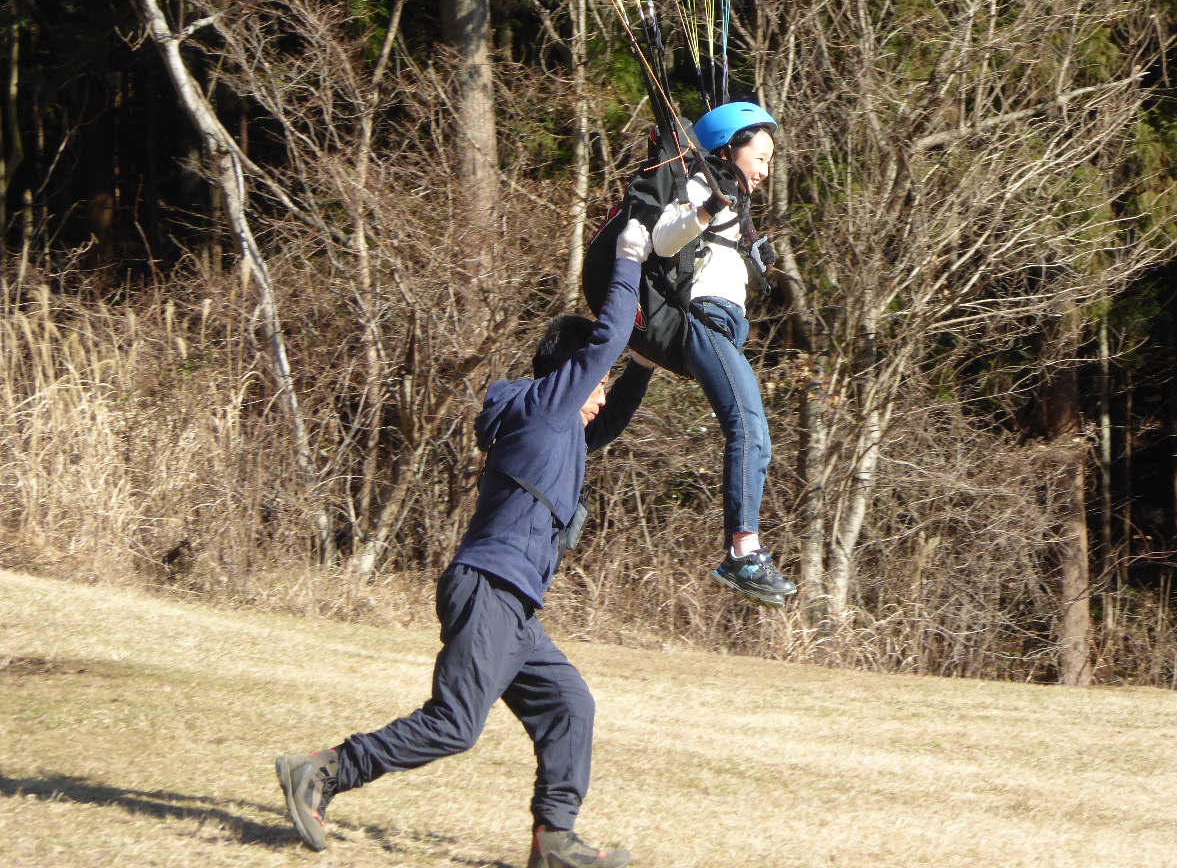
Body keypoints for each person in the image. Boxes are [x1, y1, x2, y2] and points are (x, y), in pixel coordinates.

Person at [275, 220, 655, 868]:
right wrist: (629, 259)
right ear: (571, 371)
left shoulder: (558, 432)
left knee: (569, 706)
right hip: (489, 587)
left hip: (512, 605)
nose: (601, 393)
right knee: (454, 724)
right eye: (596, 379)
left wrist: (649, 357)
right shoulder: (543, 410)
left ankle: (554, 841)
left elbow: (612, 414)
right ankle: (322, 771)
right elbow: (608, 337)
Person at [650, 101, 797, 609]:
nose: (765, 170)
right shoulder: (701, 185)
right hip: (703, 320)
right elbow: (664, 241)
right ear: (730, 150)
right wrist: (710, 206)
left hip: (726, 329)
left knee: (760, 438)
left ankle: (744, 552)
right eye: (760, 157)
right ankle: (743, 553)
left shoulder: (738, 200)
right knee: (747, 426)